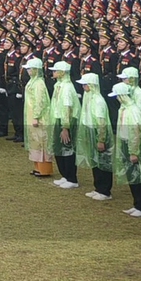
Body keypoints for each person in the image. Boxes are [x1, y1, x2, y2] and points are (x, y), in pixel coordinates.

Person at [112, 80, 141, 217]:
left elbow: (135, 132)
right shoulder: (124, 109)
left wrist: (134, 152)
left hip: (132, 146)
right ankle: (137, 204)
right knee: (131, 176)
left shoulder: (133, 111)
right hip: (125, 142)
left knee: (137, 176)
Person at [77, 72, 114, 200]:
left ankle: (105, 191)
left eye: (86, 84)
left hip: (98, 134)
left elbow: (101, 122)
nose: (83, 87)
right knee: (95, 161)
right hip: (90, 131)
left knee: (103, 163)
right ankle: (98, 187)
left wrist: (101, 139)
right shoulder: (89, 97)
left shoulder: (98, 100)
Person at [48, 60, 81, 188]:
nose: (53, 72)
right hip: (57, 118)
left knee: (67, 148)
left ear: (62, 72)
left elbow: (67, 107)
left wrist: (65, 127)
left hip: (65, 120)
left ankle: (72, 178)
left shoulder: (67, 87)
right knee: (58, 147)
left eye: (55, 70)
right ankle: (65, 175)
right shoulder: (58, 85)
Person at [23, 58, 54, 177]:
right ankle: (37, 167)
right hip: (31, 115)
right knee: (34, 142)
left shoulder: (39, 83)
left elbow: (40, 101)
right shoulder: (33, 81)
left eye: (30, 69)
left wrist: (36, 116)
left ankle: (44, 168)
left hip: (39, 118)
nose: (28, 71)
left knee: (41, 142)